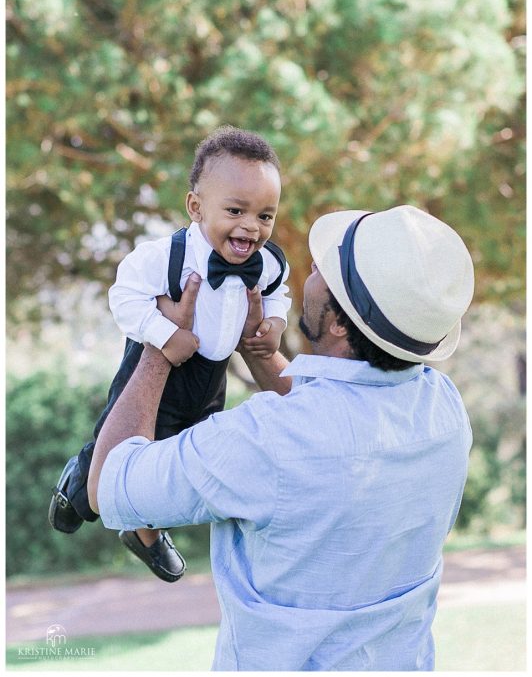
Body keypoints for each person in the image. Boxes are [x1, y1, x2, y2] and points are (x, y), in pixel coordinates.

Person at [87, 204, 474, 671]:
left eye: (319, 272)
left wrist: (159, 341)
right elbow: (330, 418)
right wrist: (259, 350)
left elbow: (110, 484)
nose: (306, 274)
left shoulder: (263, 438)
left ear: (336, 322)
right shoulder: (445, 411)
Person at [48, 125, 291, 583]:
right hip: (158, 364)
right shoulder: (165, 256)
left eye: (265, 216)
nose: (251, 227)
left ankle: (145, 525)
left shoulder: (271, 261)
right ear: (195, 207)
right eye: (236, 211)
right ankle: (81, 490)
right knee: (126, 447)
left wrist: (273, 324)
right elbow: (124, 298)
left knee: (185, 452)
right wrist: (164, 335)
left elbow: (280, 294)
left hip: (212, 370)